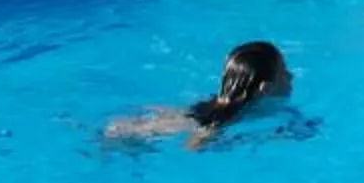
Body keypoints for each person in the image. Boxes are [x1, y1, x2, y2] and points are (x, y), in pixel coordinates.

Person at [107, 41, 296, 149]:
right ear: (265, 89)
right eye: (284, 72)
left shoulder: (228, 105)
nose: (291, 76)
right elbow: (193, 146)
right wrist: (240, 141)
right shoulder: (229, 118)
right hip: (124, 137)